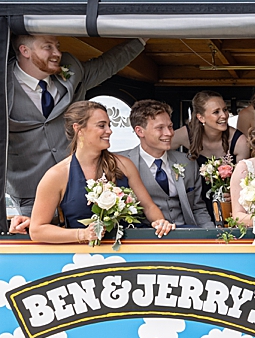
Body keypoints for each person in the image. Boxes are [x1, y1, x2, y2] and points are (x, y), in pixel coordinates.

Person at [6, 33, 146, 221]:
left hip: (78, 188)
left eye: (58, 46)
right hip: (27, 190)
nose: (57, 53)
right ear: (25, 51)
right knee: (41, 243)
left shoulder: (72, 75)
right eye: (48, 47)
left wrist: (142, 37)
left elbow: (107, 64)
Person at [28, 101, 174, 244]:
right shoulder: (57, 175)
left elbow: (148, 207)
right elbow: (37, 230)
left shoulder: (124, 165)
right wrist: (82, 234)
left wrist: (160, 223)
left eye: (109, 125)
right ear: (79, 130)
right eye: (101, 125)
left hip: (131, 250)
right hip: (85, 257)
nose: (109, 130)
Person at [120, 100, 213, 229]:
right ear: (140, 131)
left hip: (185, 233)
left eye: (170, 126)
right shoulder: (121, 163)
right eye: (160, 128)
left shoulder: (188, 162)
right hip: (143, 237)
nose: (169, 133)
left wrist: (212, 235)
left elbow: (198, 207)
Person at [172, 90, 250, 223]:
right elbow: (158, 147)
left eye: (225, 110)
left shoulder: (239, 142)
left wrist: (235, 193)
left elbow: (245, 182)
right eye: (216, 112)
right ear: (201, 117)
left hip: (226, 205)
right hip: (194, 204)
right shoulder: (186, 135)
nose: (224, 116)